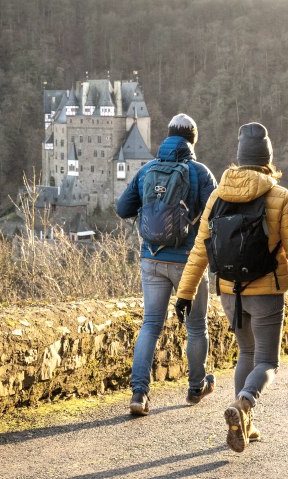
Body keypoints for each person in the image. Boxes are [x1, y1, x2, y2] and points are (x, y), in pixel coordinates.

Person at [175, 122, 288, 452]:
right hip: (266, 291)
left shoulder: (217, 196)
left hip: (230, 292)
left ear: (239, 159)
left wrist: (185, 292)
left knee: (246, 353)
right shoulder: (280, 197)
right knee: (267, 361)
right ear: (267, 158)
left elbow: (200, 249)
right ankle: (243, 406)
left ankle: (245, 427)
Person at [116, 113, 218, 416]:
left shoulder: (148, 170)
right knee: (196, 325)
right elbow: (217, 215)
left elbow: (123, 208)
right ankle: (195, 387)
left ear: (168, 136)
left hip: (152, 258)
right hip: (188, 262)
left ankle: (139, 394)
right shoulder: (199, 173)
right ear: (193, 140)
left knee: (150, 325)